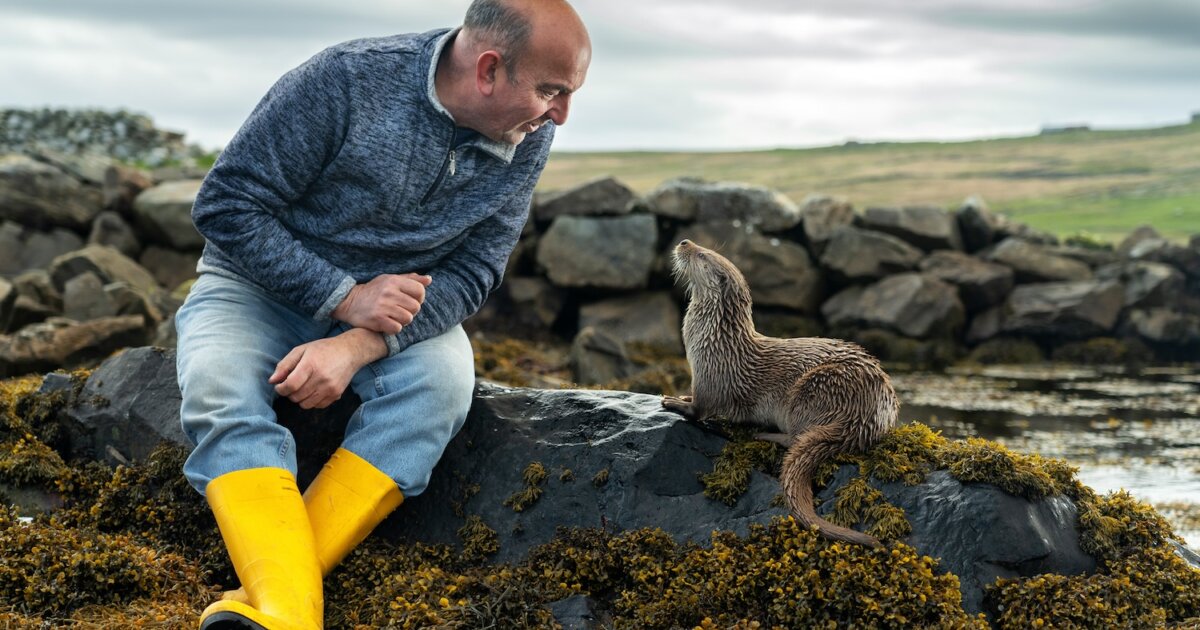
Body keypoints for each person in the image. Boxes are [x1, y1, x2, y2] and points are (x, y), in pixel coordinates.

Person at [174, 1, 590, 627]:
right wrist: (343, 296)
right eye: (551, 91)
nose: (560, 114)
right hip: (254, 289)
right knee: (217, 388)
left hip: (394, 314)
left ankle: (281, 605)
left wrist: (357, 342)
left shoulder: (529, 133)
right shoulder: (343, 80)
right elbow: (227, 206)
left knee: (442, 387)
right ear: (488, 70)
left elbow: (476, 272)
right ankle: (294, 612)